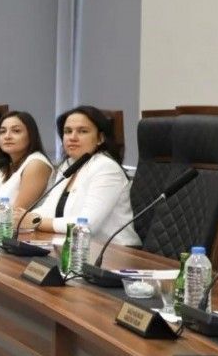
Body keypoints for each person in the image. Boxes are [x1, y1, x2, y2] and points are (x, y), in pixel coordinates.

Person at [24, 105, 136, 256]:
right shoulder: (68, 165)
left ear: (100, 138)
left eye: (83, 131)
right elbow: (48, 209)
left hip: (115, 253)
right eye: (67, 131)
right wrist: (22, 217)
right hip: (78, 248)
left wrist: (35, 221)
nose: (72, 137)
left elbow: (86, 225)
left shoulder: (106, 167)